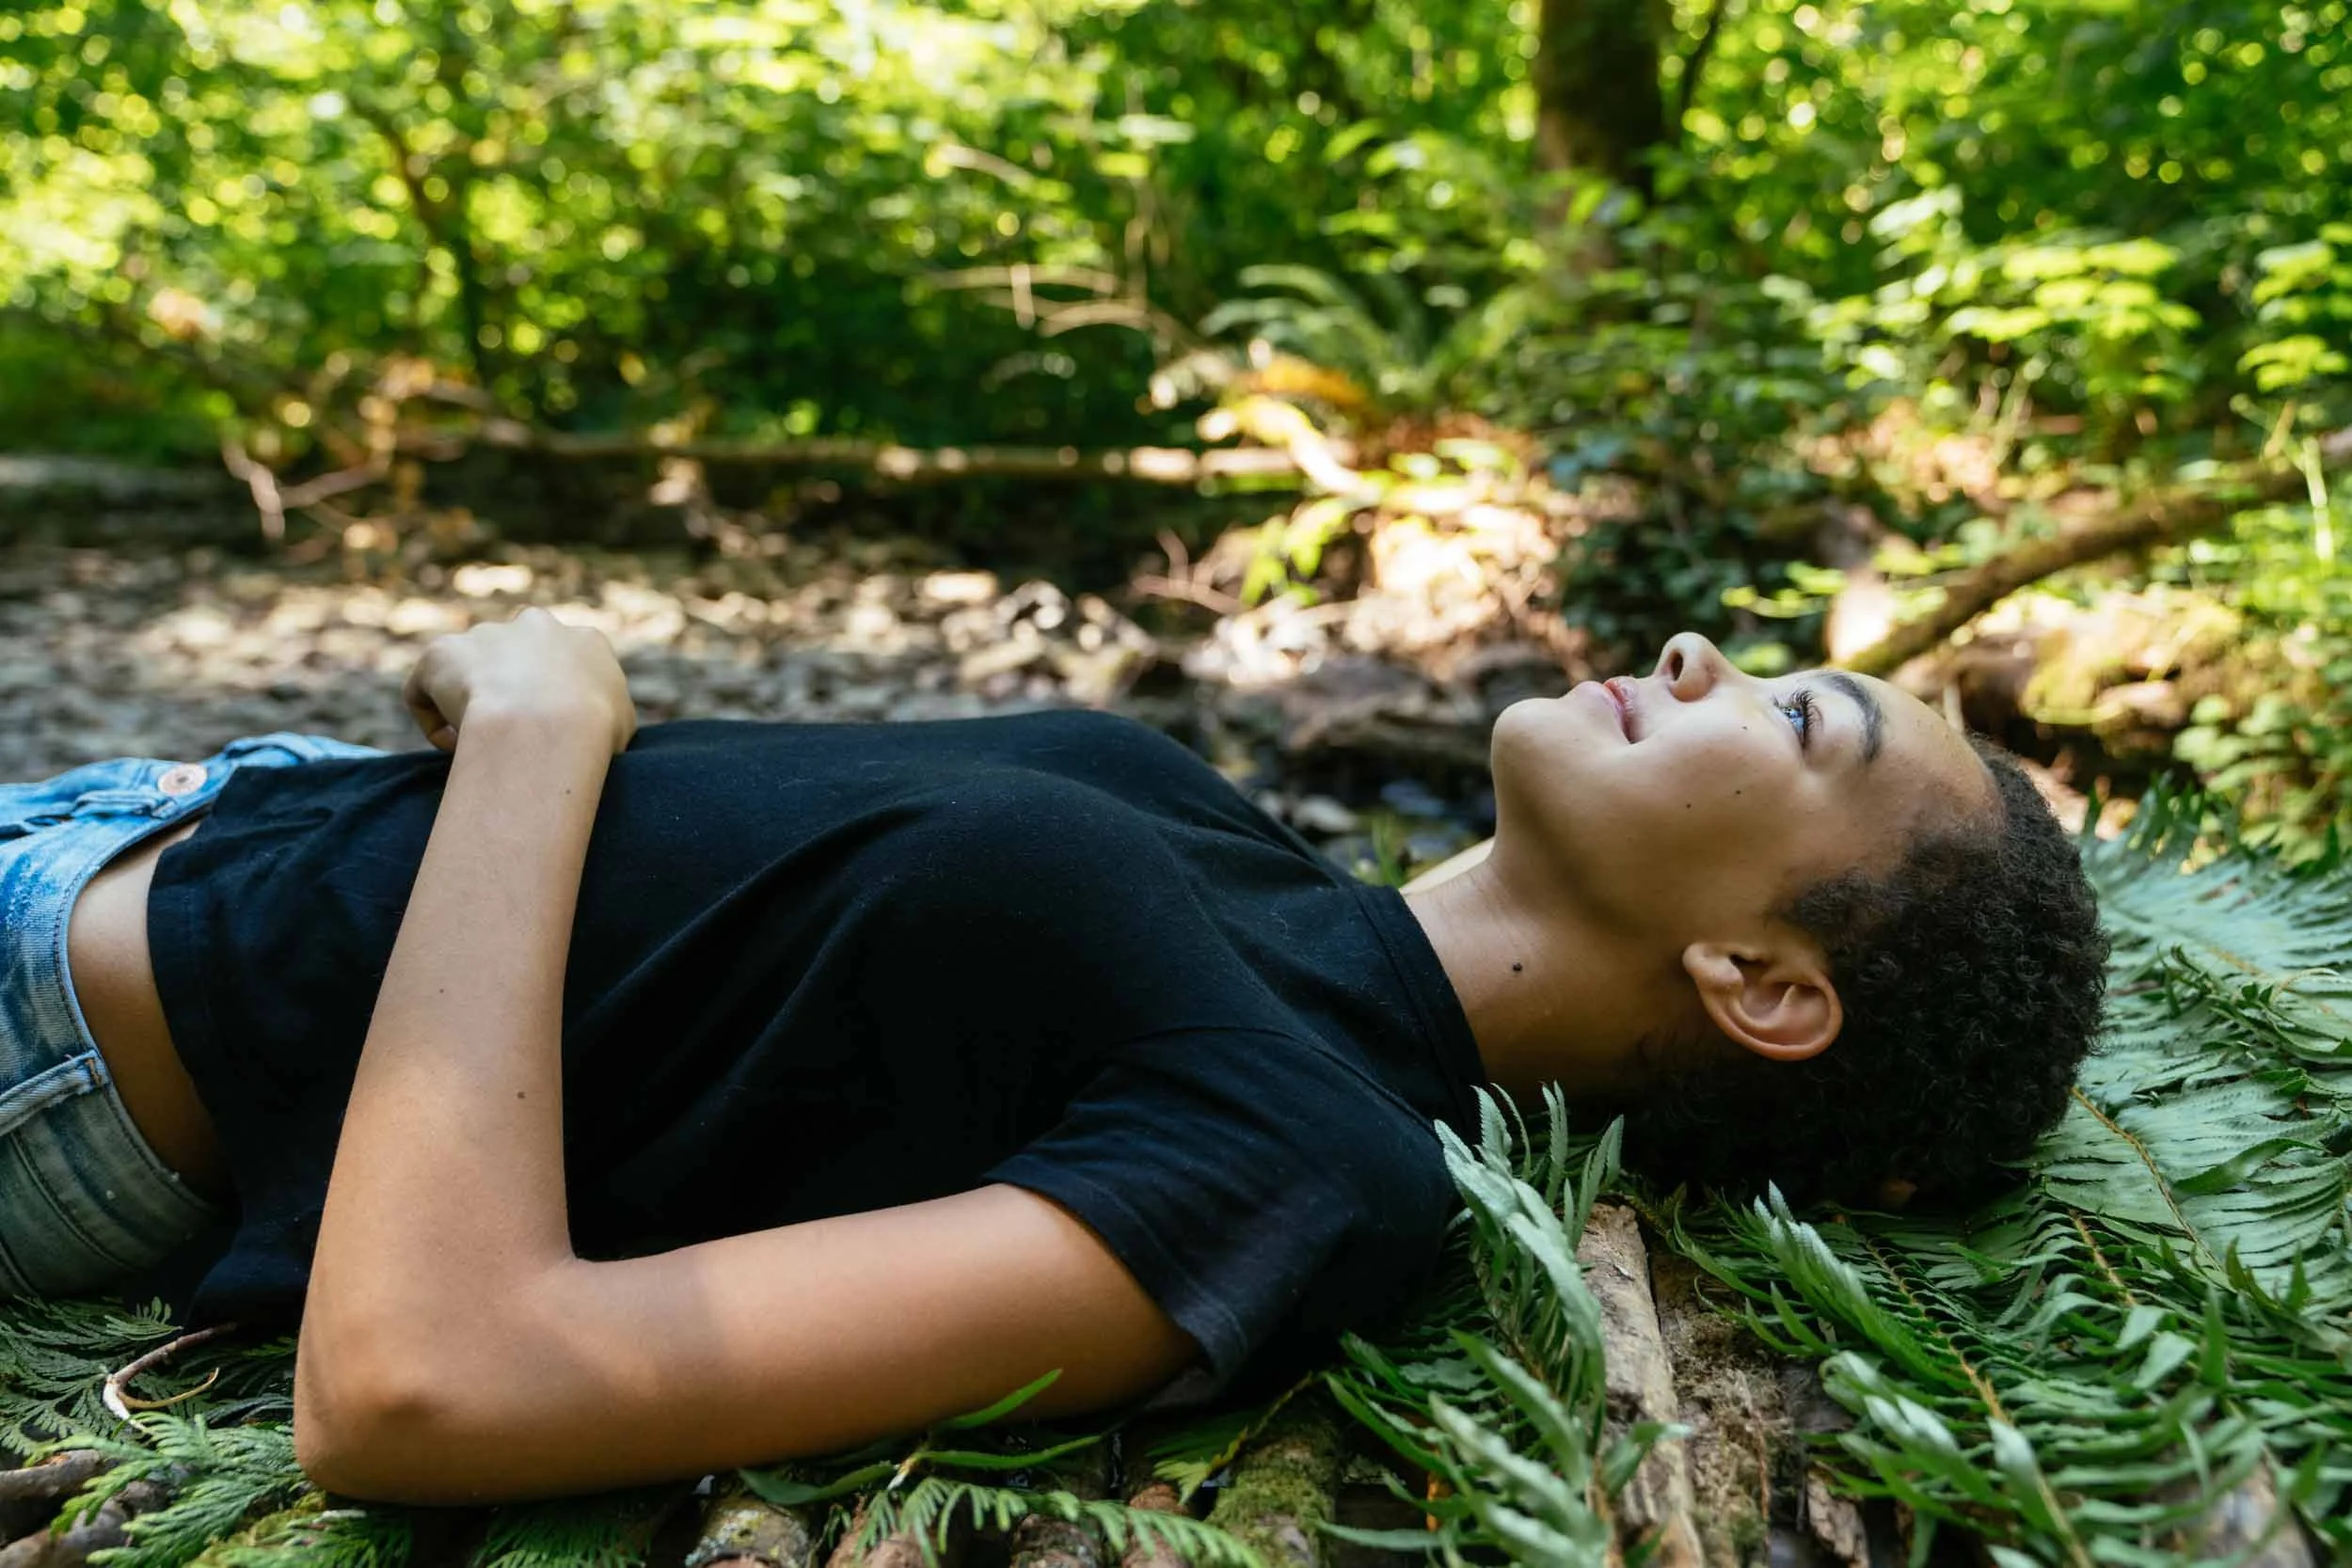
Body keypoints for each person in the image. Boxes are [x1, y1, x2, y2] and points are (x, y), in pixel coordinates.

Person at [0, 610, 2107, 1507]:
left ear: (1761, 977)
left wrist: (545, 727)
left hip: (66, 1041)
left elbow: (423, 1380)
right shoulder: (1274, 892)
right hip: (139, 821)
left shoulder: (1315, 1155)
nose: (1698, 657)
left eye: (1804, 719)